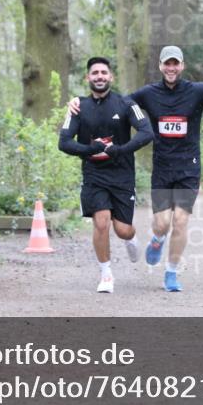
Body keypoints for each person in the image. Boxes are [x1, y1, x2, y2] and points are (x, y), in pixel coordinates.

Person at [69, 46, 203, 292]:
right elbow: (118, 104)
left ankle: (171, 273)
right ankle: (158, 238)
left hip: (188, 167)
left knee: (180, 221)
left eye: (175, 64)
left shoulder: (197, 91)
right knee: (162, 224)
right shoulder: (149, 94)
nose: (171, 68)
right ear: (160, 66)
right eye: (167, 64)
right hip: (162, 168)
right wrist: (79, 102)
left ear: (182, 66)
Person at [58, 57, 153, 293]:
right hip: (94, 176)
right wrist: (90, 149)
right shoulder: (78, 107)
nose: (99, 76)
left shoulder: (126, 103)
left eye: (103, 72)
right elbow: (64, 142)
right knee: (101, 223)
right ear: (87, 78)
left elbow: (147, 132)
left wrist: (119, 150)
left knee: (122, 229)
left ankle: (131, 238)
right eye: (95, 73)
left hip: (122, 175)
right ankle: (106, 275)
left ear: (111, 77)